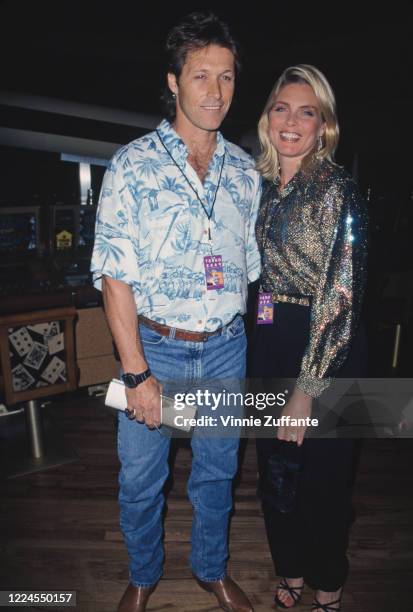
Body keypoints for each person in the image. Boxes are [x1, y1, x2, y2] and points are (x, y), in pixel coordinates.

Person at [91, 11, 261, 612]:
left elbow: (252, 275)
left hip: (224, 347)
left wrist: (262, 341)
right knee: (141, 481)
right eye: (200, 76)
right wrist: (135, 370)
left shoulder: (245, 172)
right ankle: (142, 575)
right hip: (154, 346)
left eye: (227, 77)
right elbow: (114, 276)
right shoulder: (132, 164)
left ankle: (211, 569)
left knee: (217, 473)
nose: (215, 92)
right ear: (173, 82)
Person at [251, 65, 368, 611]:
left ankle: (327, 579)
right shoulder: (261, 185)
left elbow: (340, 296)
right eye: (282, 108)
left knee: (323, 480)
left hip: (325, 343)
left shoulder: (336, 188)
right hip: (268, 333)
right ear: (267, 118)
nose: (292, 120)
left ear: (324, 126)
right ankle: (291, 567)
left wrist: (306, 387)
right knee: (275, 474)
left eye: (307, 111)